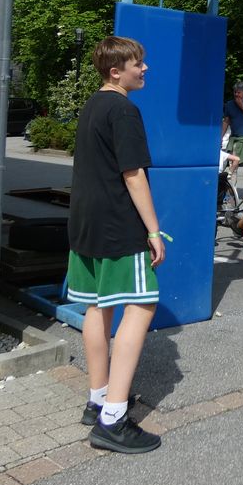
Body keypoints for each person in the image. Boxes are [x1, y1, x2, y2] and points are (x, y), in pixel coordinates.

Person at [66, 36, 165, 454]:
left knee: (97, 306)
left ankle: (97, 399)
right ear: (115, 71)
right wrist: (154, 231)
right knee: (142, 305)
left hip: (85, 224)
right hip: (118, 226)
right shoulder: (124, 110)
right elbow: (133, 174)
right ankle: (114, 418)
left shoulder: (92, 105)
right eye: (137, 63)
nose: (144, 69)